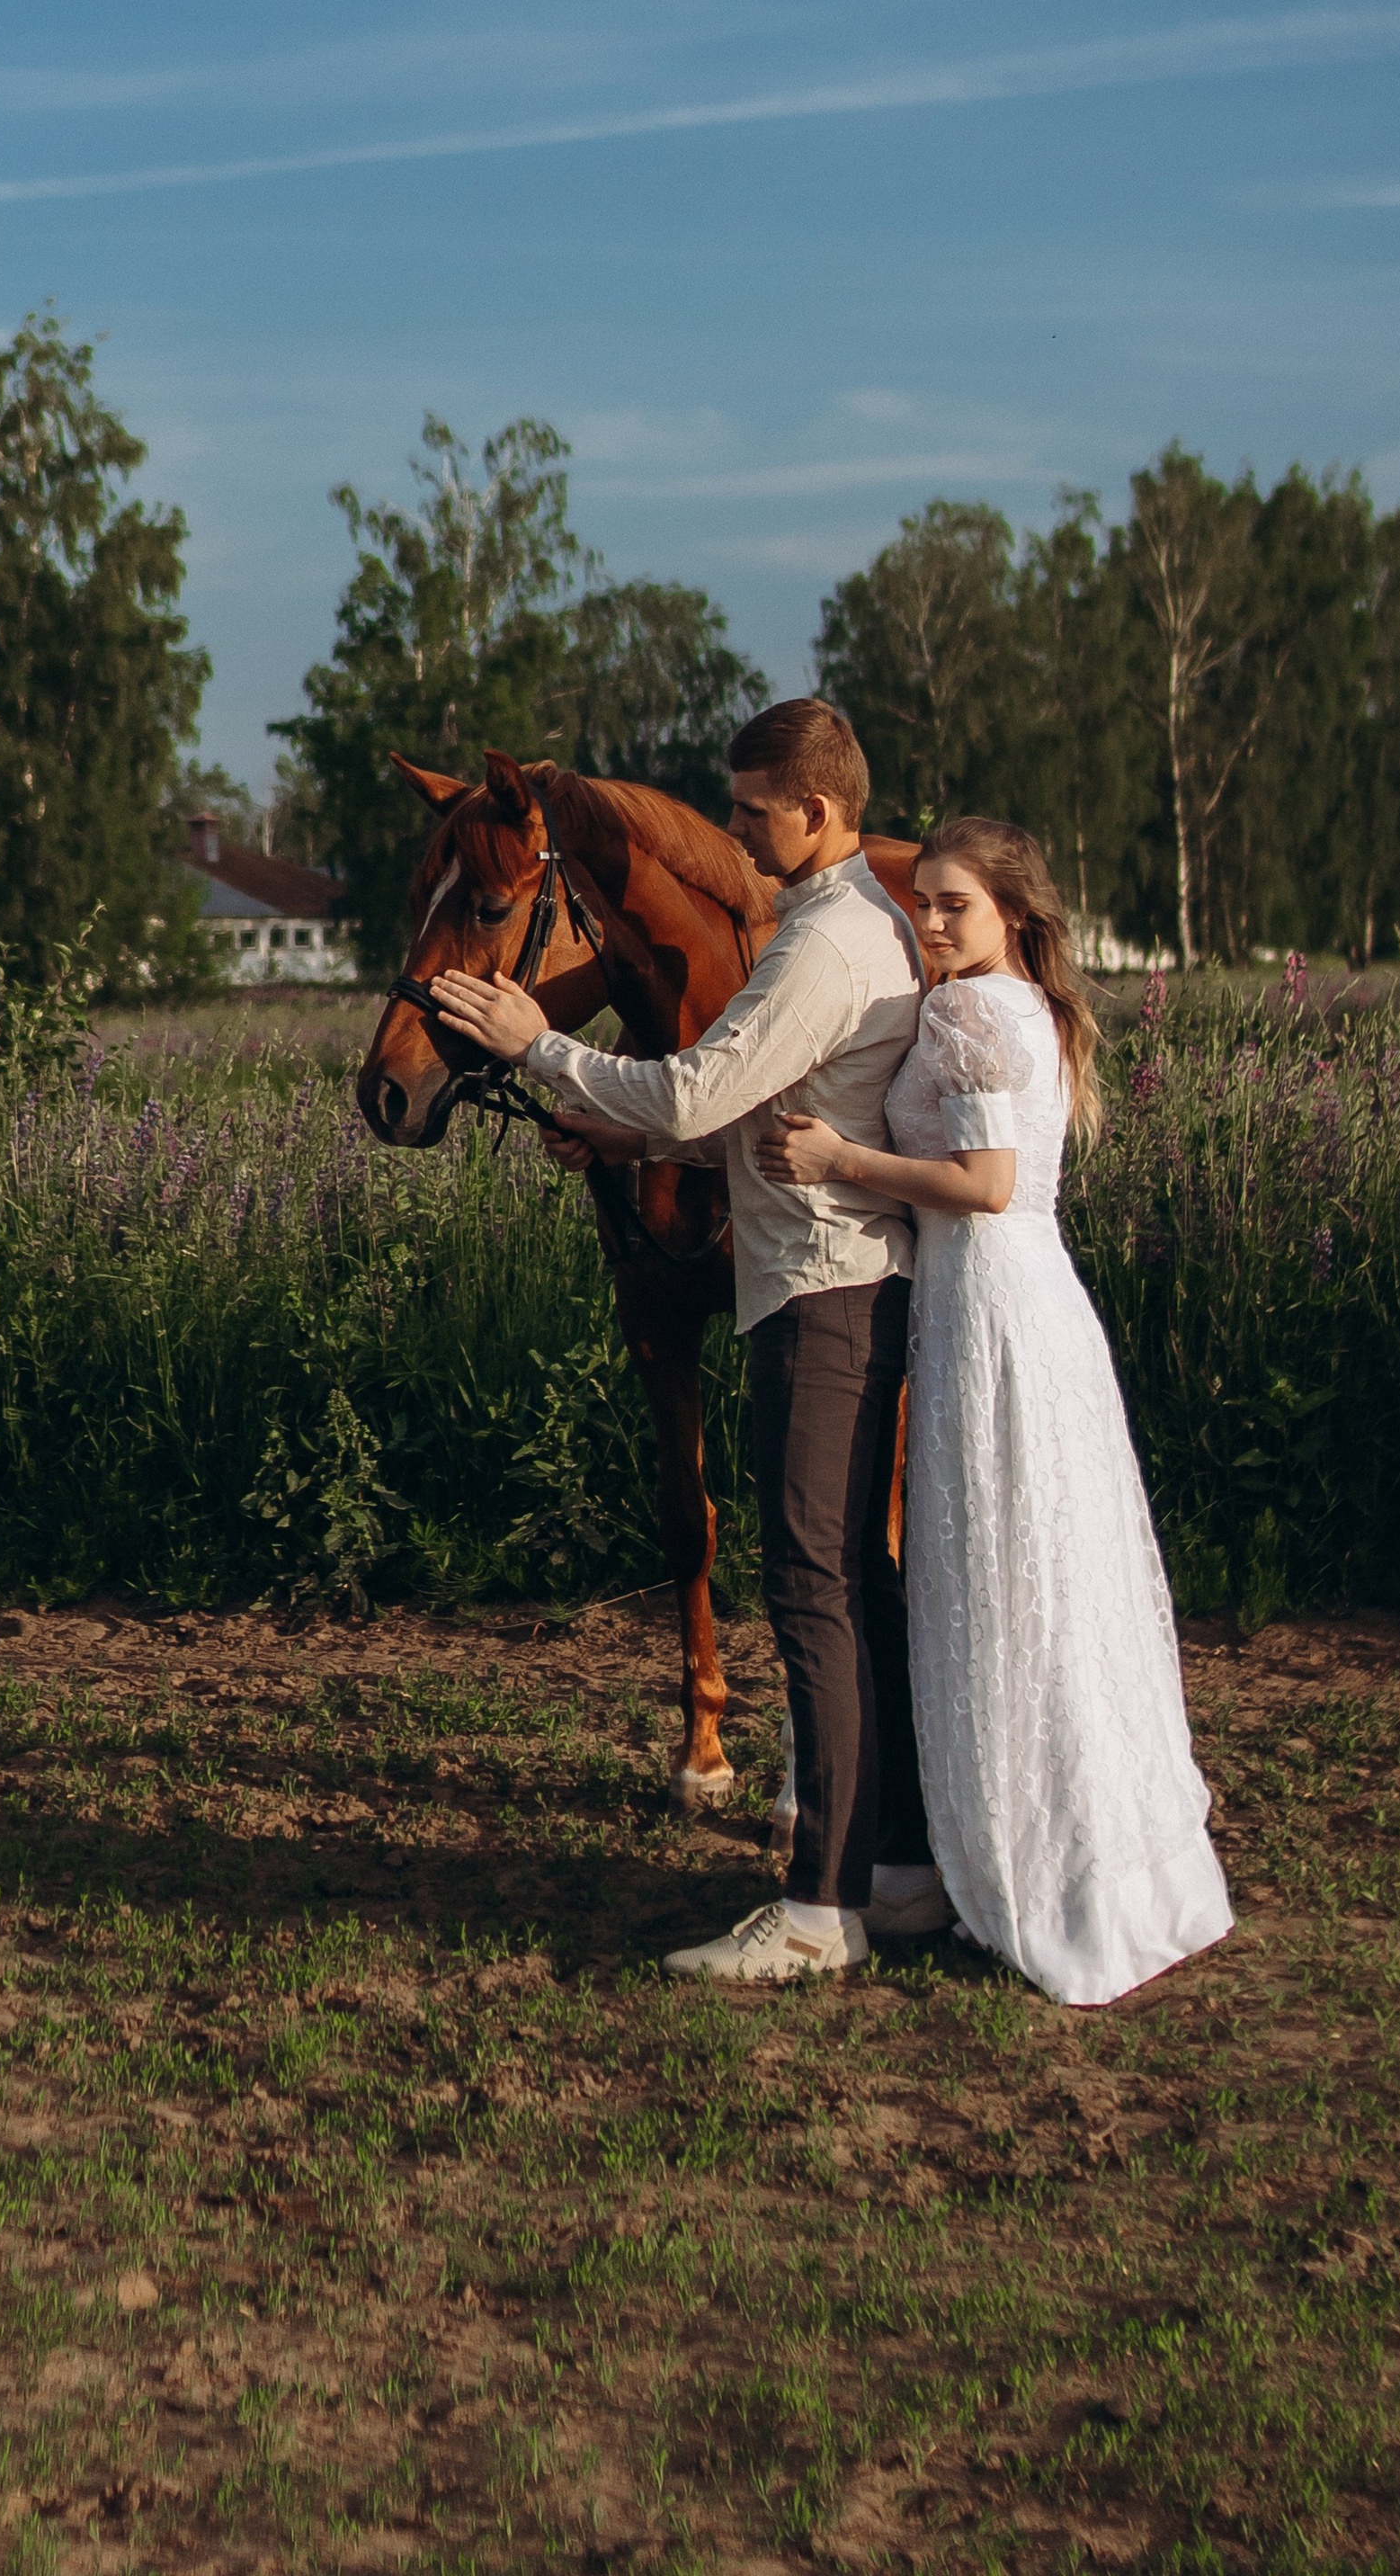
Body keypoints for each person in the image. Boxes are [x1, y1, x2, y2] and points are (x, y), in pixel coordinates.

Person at [432, 697, 944, 1982]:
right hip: (839, 1282)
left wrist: (540, 1048)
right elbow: (757, 1115)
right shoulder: (854, 924)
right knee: (858, 1588)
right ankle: (902, 1869)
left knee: (813, 1589)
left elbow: (700, 1086)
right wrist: (625, 1138)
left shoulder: (821, 942)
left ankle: (821, 1907)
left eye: (753, 809)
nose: (734, 830)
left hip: (820, 1293)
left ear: (817, 811)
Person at [754, 818, 1232, 2007]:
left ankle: (1022, 1869)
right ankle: (1078, 1861)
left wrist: (840, 1162)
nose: (929, 923)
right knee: (1044, 1584)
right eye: (922, 901)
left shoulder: (972, 1011)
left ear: (1013, 912)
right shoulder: (1026, 1008)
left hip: (993, 1317)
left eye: (953, 904)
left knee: (1003, 1580)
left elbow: (987, 1184)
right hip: (1024, 1307)